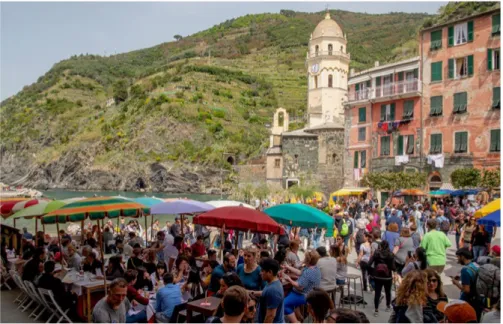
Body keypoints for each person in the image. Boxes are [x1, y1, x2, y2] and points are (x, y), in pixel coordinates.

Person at [282, 250, 321, 323]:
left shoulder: (308, 271)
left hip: (304, 295)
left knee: (284, 304)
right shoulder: (315, 268)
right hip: (311, 293)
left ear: (307, 260)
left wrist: (289, 279)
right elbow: (299, 272)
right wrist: (288, 267)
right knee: (289, 297)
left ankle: (296, 321)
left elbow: (299, 286)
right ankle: (299, 316)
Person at [368, 240, 395, 316]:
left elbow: (369, 264)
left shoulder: (376, 253)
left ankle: (376, 310)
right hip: (387, 277)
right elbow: (393, 267)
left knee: (377, 293)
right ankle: (388, 306)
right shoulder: (390, 254)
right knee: (388, 292)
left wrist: (373, 272)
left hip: (378, 276)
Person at [453, 247, 482, 319]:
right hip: (479, 298)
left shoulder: (465, 270)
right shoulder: (475, 264)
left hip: (469, 300)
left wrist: (456, 283)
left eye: (458, 257)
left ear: (462, 257)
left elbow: (466, 290)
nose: (457, 259)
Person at [254, 258, 284, 323]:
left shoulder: (273, 290)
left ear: (270, 272)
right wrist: (248, 292)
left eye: (262, 271)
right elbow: (265, 293)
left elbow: (270, 316)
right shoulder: (272, 283)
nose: (260, 273)